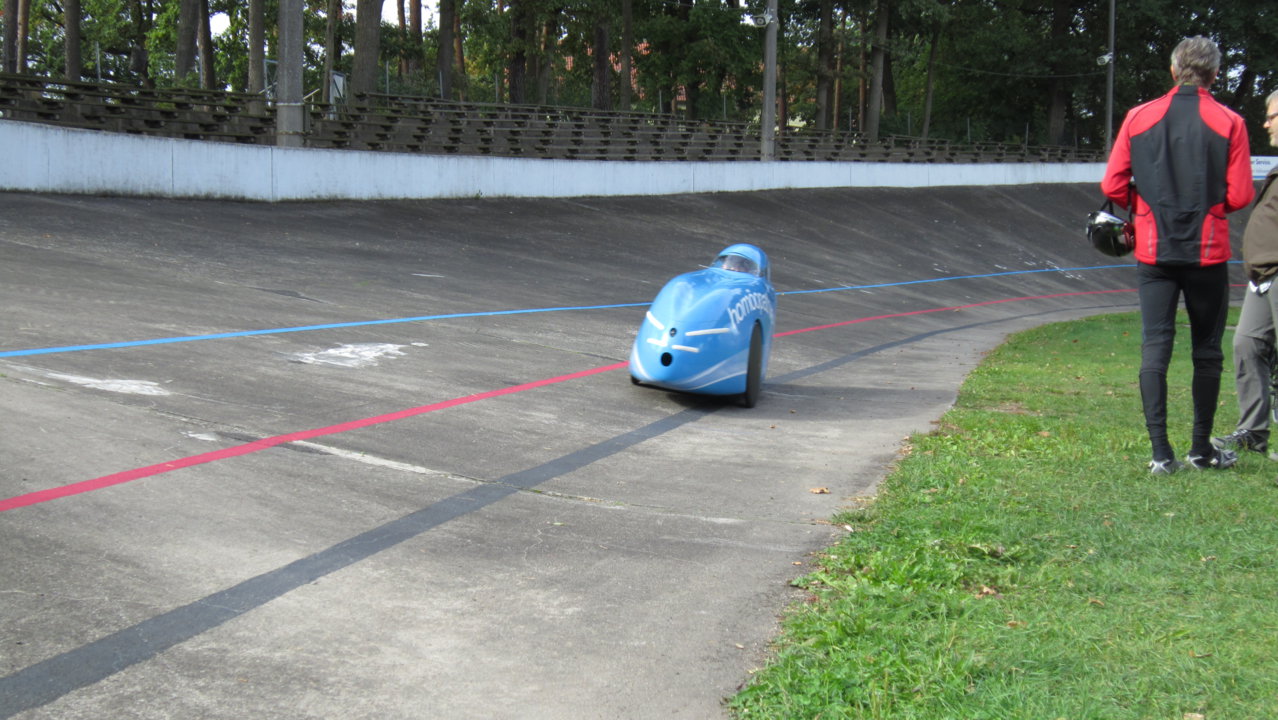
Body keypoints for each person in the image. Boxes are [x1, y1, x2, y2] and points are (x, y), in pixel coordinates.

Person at [1100, 35, 1255, 475]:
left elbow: (1113, 186)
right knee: (1207, 351)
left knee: (1156, 347)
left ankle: (1160, 453)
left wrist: (1146, 205)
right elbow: (1241, 193)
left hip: (1154, 249)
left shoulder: (1138, 117)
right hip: (1207, 250)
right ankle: (1201, 449)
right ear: (1215, 74)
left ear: (1173, 70)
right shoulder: (1230, 122)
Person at [1212, 90, 1278, 457]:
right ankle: (1253, 431)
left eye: (1271, 115)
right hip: (1263, 277)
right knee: (1247, 344)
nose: (1266, 122)